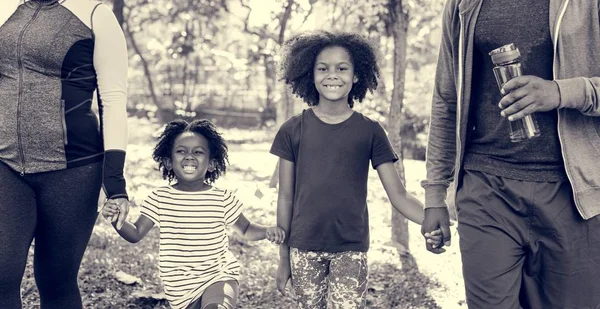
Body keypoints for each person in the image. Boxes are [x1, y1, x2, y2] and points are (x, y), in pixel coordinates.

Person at [421, 0, 600, 308]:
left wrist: (560, 92)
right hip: (486, 188)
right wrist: (435, 193)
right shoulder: (463, 5)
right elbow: (447, 99)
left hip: (574, 195)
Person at [270, 31, 441, 309]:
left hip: (351, 248)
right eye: (323, 68)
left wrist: (431, 221)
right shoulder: (292, 129)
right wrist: (283, 256)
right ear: (310, 74)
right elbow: (285, 197)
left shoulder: (370, 131)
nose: (332, 75)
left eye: (342, 68)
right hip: (303, 248)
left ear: (357, 75)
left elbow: (398, 195)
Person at [0, 0, 130, 307]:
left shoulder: (96, 14)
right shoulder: (6, 8)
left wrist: (114, 182)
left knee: (56, 279)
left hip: (73, 170)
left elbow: (112, 101)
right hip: (5, 164)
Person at [102, 119, 285, 309]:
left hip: (219, 276)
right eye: (181, 151)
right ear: (168, 162)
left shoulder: (222, 199)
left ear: (212, 164)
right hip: (180, 289)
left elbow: (246, 229)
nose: (189, 156)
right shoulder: (160, 198)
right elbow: (136, 234)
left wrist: (267, 231)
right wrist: (116, 220)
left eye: (198, 152)